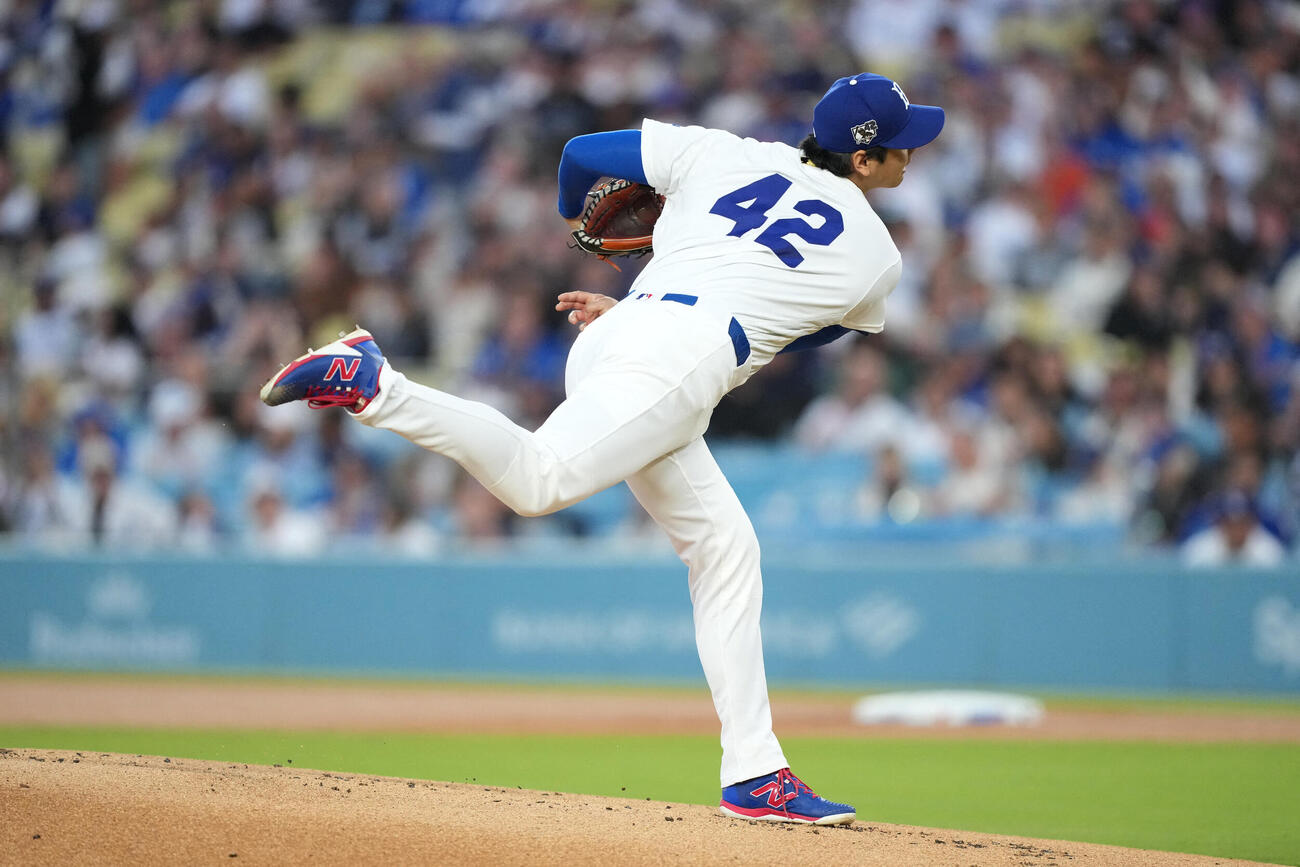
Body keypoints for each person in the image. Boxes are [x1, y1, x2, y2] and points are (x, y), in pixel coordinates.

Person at [261, 72, 944, 825]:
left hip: (622, 326)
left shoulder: (721, 151)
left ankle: (755, 773)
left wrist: (582, 231)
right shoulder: (875, 254)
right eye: (901, 147)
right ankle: (377, 382)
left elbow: (583, 155)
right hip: (679, 357)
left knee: (725, 548)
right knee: (537, 483)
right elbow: (804, 329)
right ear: (865, 157)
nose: (911, 158)